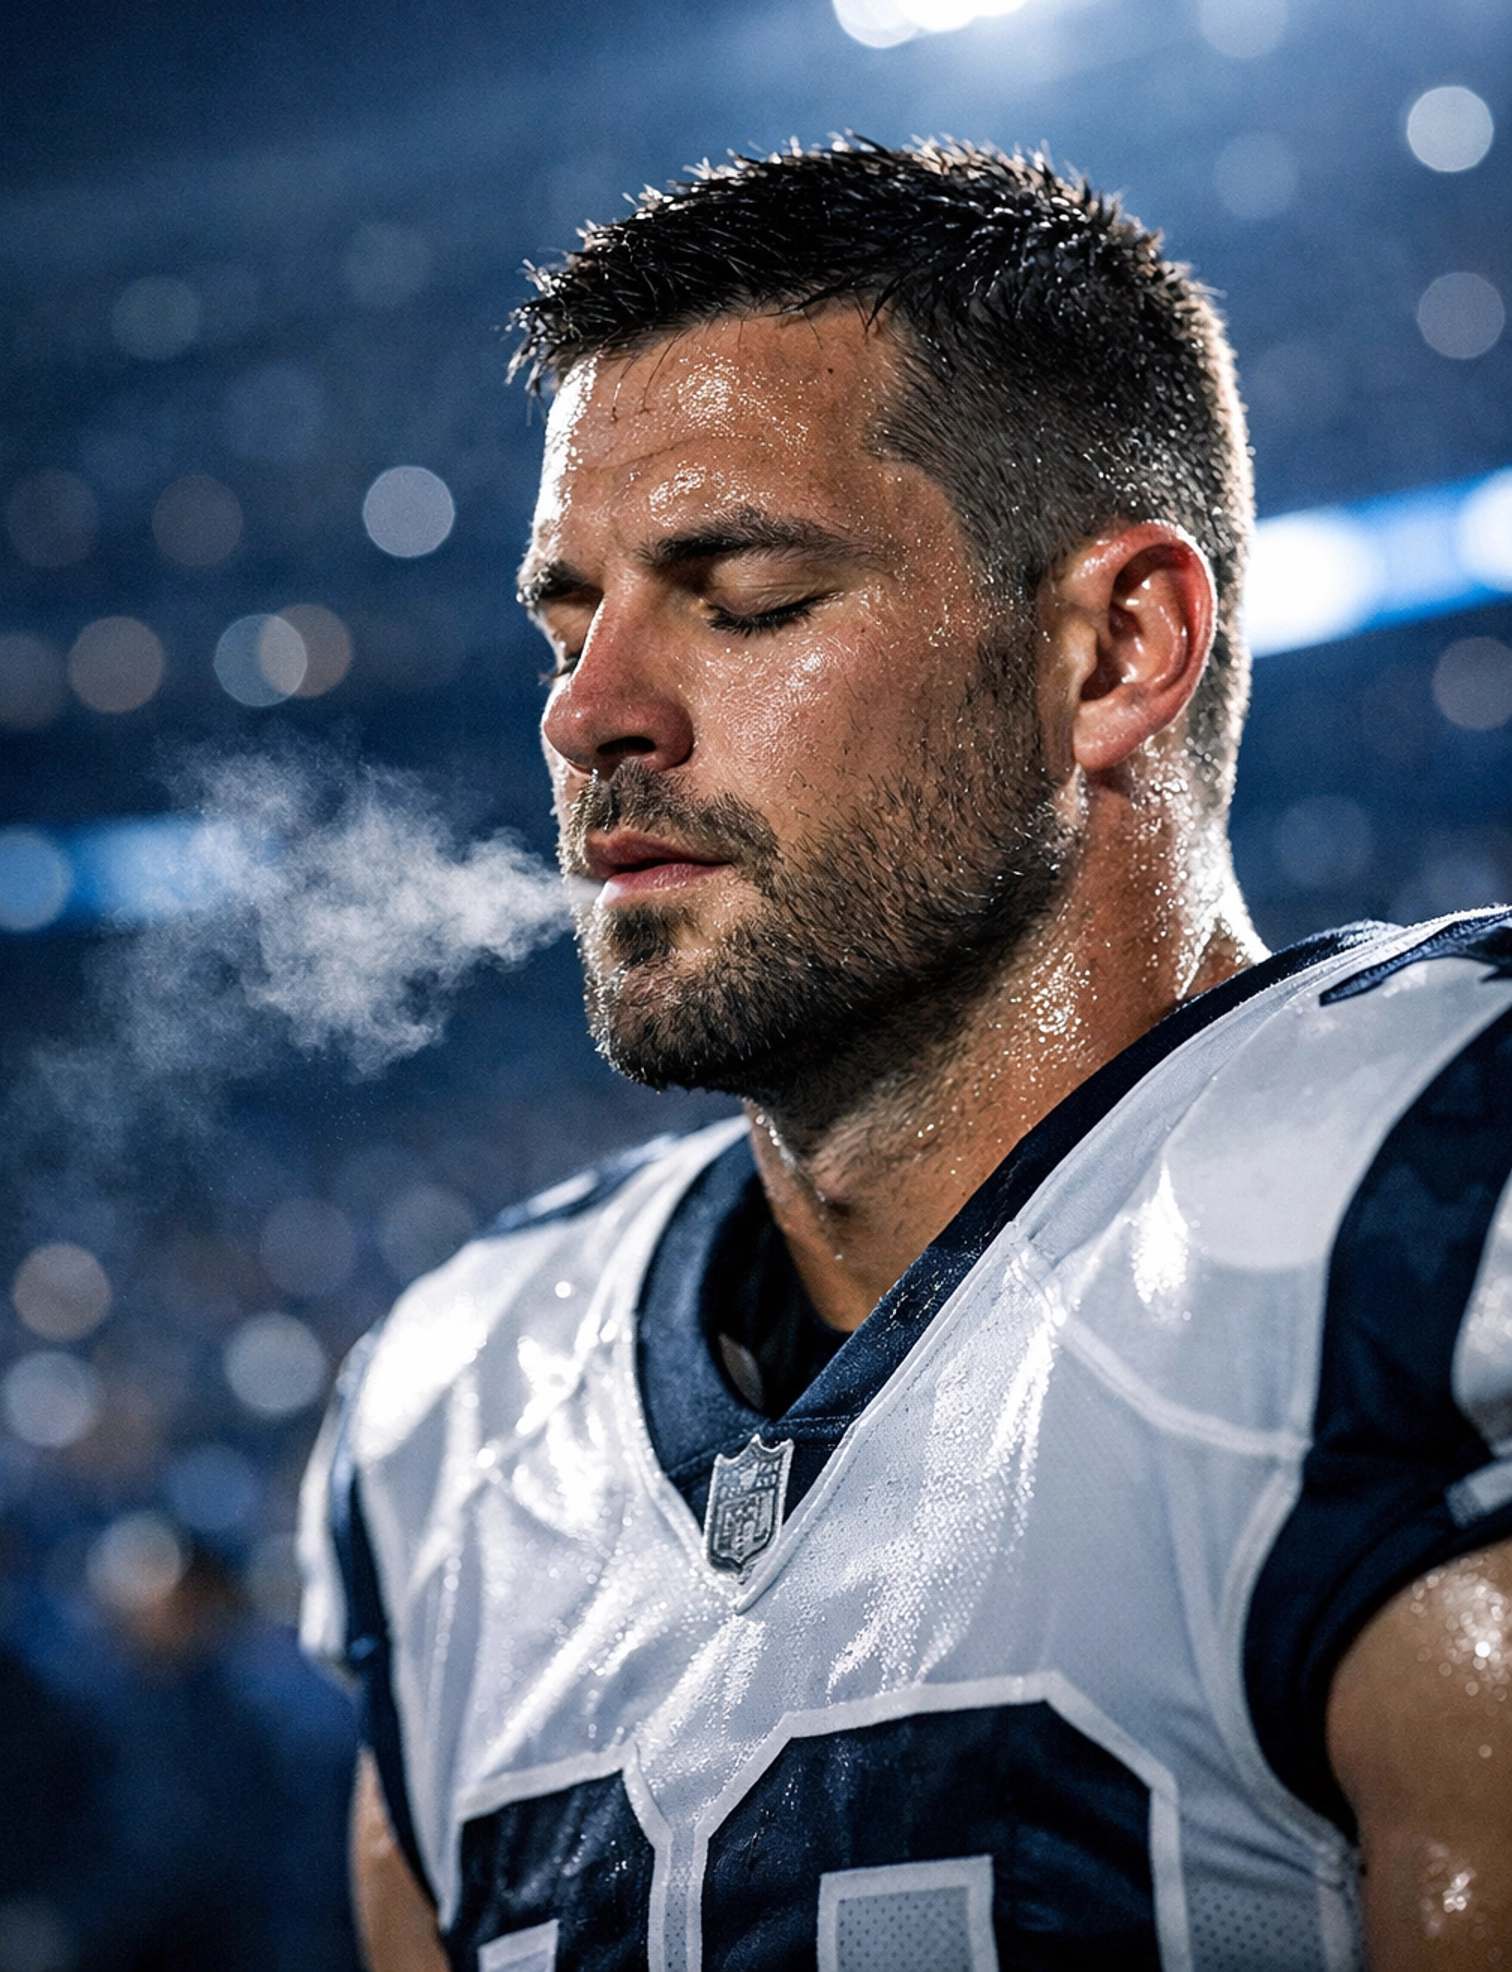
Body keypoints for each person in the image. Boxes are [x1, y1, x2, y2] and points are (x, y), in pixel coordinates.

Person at [299, 140, 1512, 1971]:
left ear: (1116, 650)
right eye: (570, 619)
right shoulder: (451, 1418)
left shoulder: (1433, 1215)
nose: (589, 712)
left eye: (748, 596)